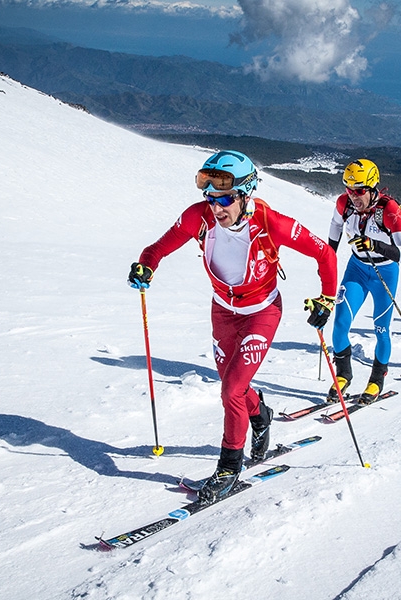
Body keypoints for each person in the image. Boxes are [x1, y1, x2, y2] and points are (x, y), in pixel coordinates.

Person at [128, 150, 338, 503]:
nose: (216, 206)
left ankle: (229, 465)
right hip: (223, 312)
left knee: (230, 391)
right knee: (234, 388)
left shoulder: (272, 224)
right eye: (209, 197)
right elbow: (158, 248)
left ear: (245, 193)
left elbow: (325, 254)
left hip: (262, 312)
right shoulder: (199, 218)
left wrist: (327, 299)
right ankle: (261, 415)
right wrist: (145, 266)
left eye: (225, 198)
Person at [327, 159, 401, 404]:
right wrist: (329, 255)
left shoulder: (389, 210)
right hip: (356, 268)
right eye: (349, 189)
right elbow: (335, 224)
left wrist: (376, 245)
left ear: (374, 188)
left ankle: (377, 379)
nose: (353, 196)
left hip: (384, 273)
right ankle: (344, 374)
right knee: (340, 323)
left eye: (359, 191)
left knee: (381, 329)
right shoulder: (344, 203)